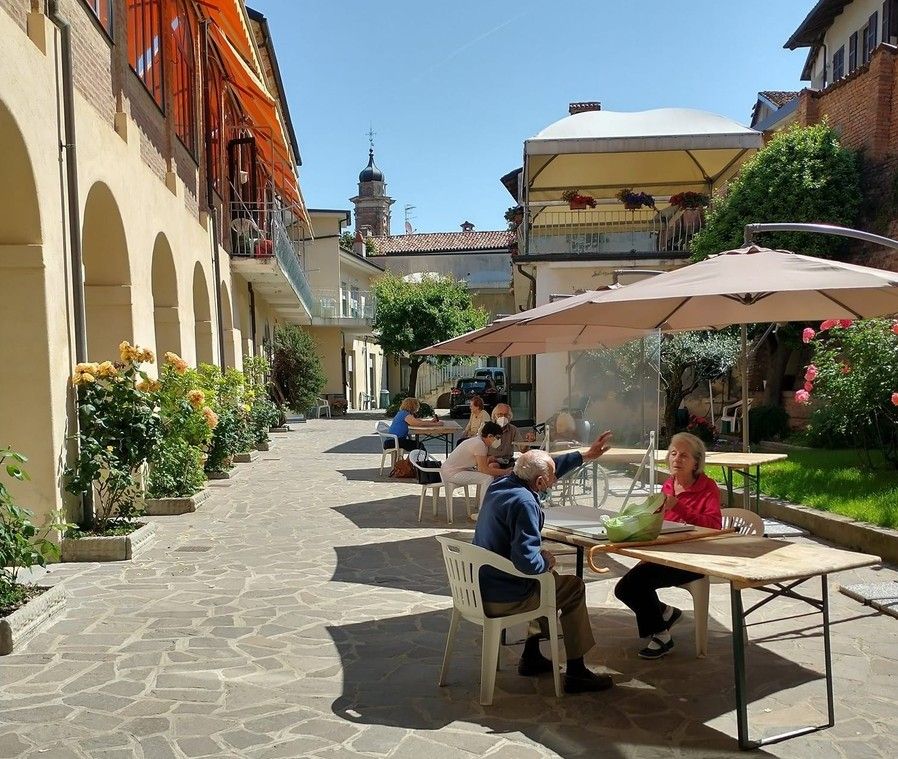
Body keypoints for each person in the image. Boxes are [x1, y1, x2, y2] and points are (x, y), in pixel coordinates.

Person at [473, 432, 616, 693]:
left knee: (548, 583)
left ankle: (531, 656)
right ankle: (577, 671)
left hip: (481, 588)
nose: (554, 482)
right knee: (572, 587)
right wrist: (545, 560)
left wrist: (585, 455)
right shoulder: (525, 502)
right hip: (505, 595)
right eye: (551, 480)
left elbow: (546, 466)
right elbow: (527, 563)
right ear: (540, 482)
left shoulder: (501, 485)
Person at [614, 432, 722, 660]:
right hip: (667, 553)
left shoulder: (707, 487)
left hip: (695, 558)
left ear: (696, 462)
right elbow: (660, 524)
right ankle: (666, 613)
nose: (676, 459)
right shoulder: (669, 484)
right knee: (623, 588)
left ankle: (662, 636)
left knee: (638, 582)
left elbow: (714, 526)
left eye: (684, 455)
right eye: (673, 453)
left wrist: (680, 507)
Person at [441, 422, 511, 512]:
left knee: (487, 476)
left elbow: (479, 466)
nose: (499, 441)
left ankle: (485, 507)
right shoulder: (479, 444)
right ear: (490, 436)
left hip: (456, 470)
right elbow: (483, 469)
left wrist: (488, 460)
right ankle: (483, 511)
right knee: (487, 478)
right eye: (497, 438)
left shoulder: (479, 442)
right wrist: (505, 472)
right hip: (452, 473)